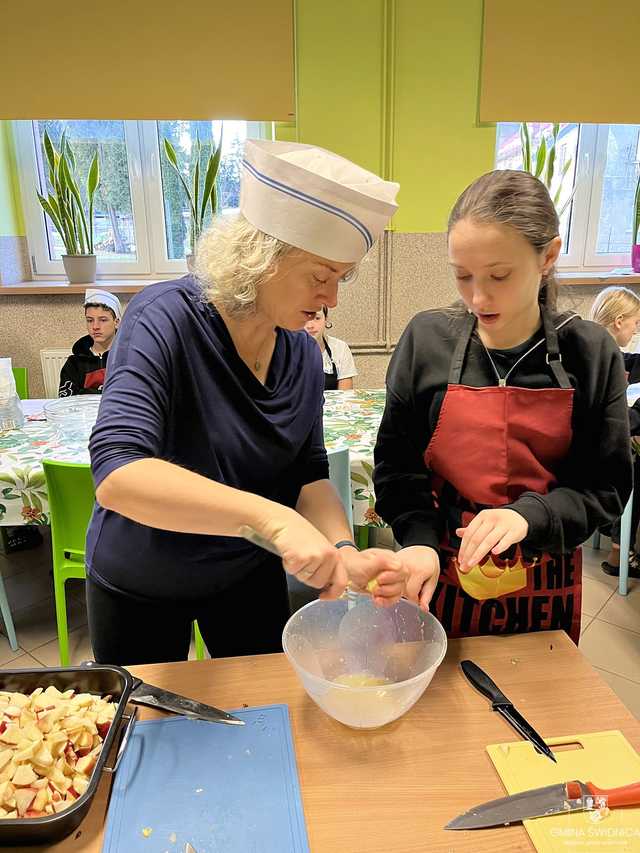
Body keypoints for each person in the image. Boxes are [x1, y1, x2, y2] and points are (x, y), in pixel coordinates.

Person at [87, 139, 405, 665]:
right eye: (320, 276)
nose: (332, 299)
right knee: (146, 726)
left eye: (340, 278)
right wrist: (275, 522)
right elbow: (120, 474)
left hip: (245, 577)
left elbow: (308, 472)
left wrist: (342, 549)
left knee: (260, 717)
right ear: (260, 257)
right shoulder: (163, 319)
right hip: (142, 578)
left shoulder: (302, 355)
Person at [373, 169, 632, 644]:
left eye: (498, 276)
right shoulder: (426, 340)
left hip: (544, 578)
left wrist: (527, 517)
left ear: (548, 257)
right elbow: (397, 469)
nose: (478, 297)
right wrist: (418, 542)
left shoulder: (590, 351)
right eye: (462, 276)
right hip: (441, 572)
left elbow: (606, 488)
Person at [589, 286, 640, 577]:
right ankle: (621, 549)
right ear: (619, 321)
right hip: (595, 448)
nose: (635, 331)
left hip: (595, 443)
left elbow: (631, 361)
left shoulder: (604, 350)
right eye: (635, 323)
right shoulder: (600, 356)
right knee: (635, 466)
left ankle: (617, 541)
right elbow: (606, 420)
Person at [58, 289, 122, 397]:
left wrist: (85, 392)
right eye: (90, 320)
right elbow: (67, 401)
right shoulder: (74, 363)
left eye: (103, 320)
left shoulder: (128, 357)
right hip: (84, 414)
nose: (95, 326)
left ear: (116, 322)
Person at [304, 305, 357, 389]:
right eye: (305, 318)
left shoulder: (340, 348)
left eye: (317, 318)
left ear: (326, 320)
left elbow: (345, 396)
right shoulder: (287, 351)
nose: (310, 326)